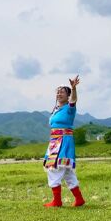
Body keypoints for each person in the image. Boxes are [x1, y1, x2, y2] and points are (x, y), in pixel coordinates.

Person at [43, 75, 86, 208]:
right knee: (66, 170)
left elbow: (74, 100)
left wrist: (73, 88)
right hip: (55, 141)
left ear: (67, 96)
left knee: (54, 167)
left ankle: (57, 201)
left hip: (63, 141)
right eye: (58, 91)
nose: (59, 93)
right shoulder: (56, 110)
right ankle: (79, 199)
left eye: (62, 91)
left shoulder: (69, 108)